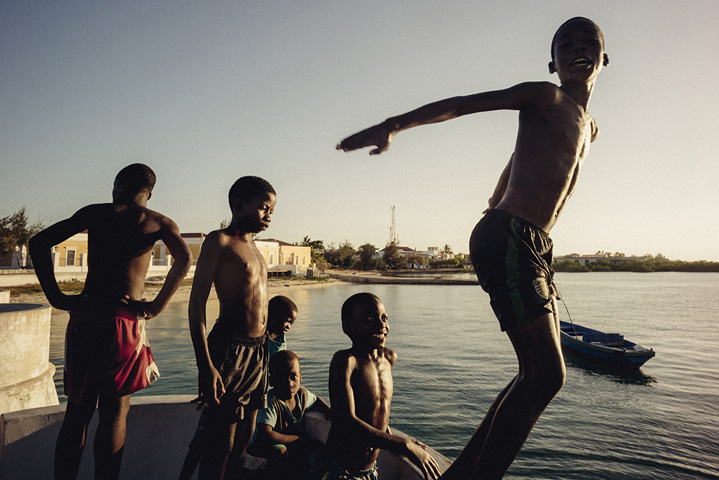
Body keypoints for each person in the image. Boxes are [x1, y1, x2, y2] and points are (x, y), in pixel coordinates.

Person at [336, 17, 608, 479]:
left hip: (531, 242)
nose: (578, 48)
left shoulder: (591, 126)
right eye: (566, 43)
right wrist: (394, 125)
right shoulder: (546, 96)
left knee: (535, 374)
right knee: (547, 375)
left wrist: (496, 196)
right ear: (552, 62)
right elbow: (465, 104)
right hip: (511, 236)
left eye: (589, 43)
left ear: (604, 58)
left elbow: (518, 161)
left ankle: (464, 472)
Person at [29, 163, 192, 480]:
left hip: (87, 316)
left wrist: (57, 298)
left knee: (77, 411)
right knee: (116, 412)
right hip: (124, 321)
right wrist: (156, 306)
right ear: (149, 193)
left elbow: (38, 243)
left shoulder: (96, 213)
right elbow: (184, 258)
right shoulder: (157, 221)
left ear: (117, 185)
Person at [185, 175, 277, 480]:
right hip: (229, 349)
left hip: (258, 351)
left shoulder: (255, 248)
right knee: (219, 443)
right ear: (239, 205)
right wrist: (205, 366)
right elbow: (196, 303)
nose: (269, 215)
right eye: (264, 207)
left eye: (271, 210)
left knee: (244, 440)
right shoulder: (219, 241)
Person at [312, 292, 440, 480]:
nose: (382, 325)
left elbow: (376, 409)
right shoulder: (346, 361)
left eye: (384, 318)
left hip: (369, 470)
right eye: (370, 319)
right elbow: (346, 422)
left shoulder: (389, 359)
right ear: (348, 327)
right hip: (338, 469)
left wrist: (393, 436)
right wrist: (403, 444)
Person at [250, 350, 330, 479]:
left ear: (300, 376)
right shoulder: (271, 401)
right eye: (281, 378)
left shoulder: (302, 395)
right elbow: (267, 434)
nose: (289, 384)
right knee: (281, 453)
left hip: (289, 443)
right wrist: (298, 439)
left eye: (293, 377)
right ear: (271, 381)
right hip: (262, 447)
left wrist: (329, 411)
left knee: (311, 455)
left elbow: (316, 400)